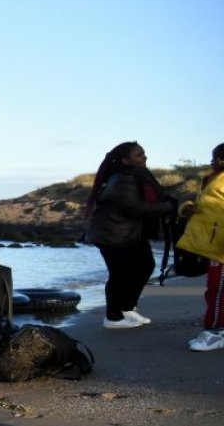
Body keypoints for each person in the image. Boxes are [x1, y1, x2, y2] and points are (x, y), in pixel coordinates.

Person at [83, 141, 175, 329]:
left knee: (145, 266)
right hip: (113, 234)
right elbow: (135, 209)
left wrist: (166, 204)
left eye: (144, 153)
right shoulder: (123, 179)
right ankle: (113, 317)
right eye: (139, 155)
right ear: (125, 160)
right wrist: (169, 207)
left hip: (131, 232)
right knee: (119, 274)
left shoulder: (136, 175)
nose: (144, 157)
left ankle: (127, 308)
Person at [178, 143, 224, 351]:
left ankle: (215, 332)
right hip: (213, 243)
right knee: (216, 288)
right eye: (213, 157)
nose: (213, 161)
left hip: (221, 246)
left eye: (218, 157)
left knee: (218, 288)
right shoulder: (214, 177)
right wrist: (188, 209)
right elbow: (209, 205)